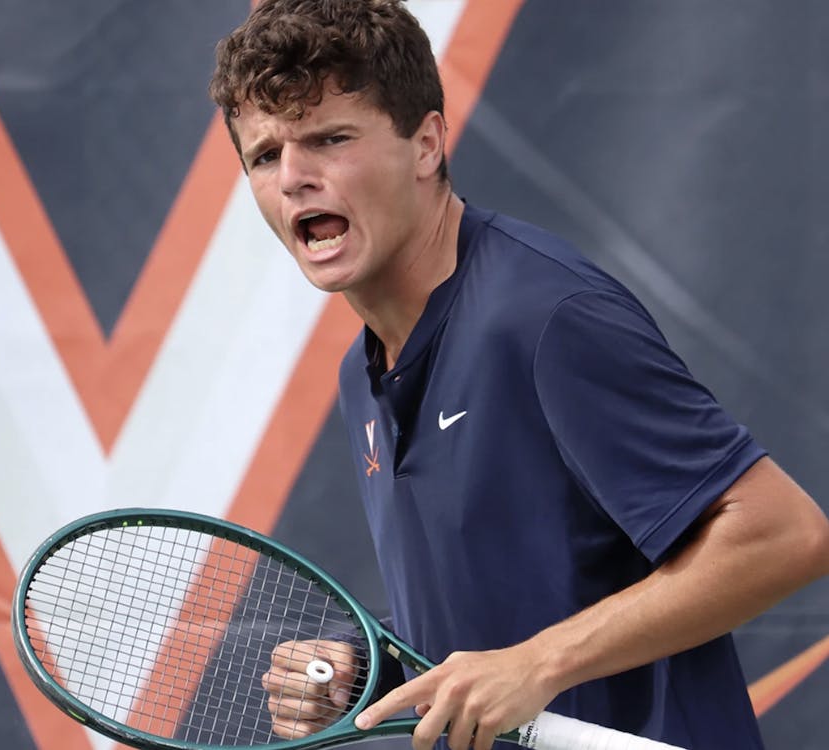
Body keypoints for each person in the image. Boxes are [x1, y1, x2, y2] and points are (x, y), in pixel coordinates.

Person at [208, 1, 829, 748]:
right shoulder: (361, 373)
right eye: (266, 155)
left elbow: (784, 534)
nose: (295, 178)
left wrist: (541, 663)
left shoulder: (545, 317)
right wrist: (359, 666)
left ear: (428, 144)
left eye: (330, 139)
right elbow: (493, 611)